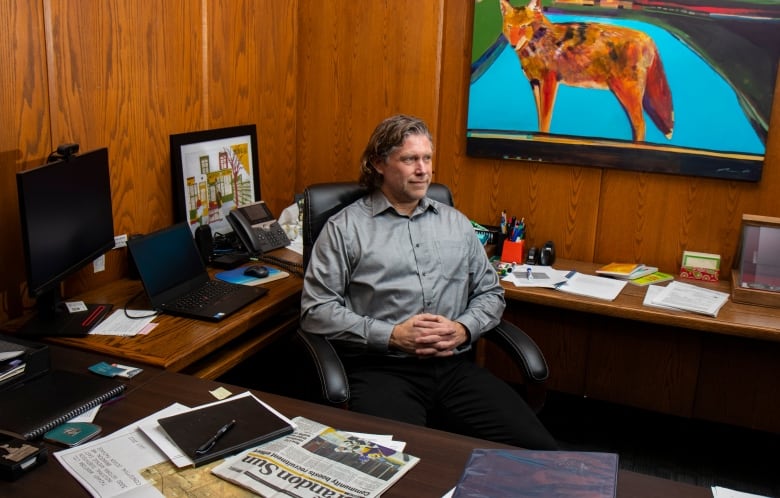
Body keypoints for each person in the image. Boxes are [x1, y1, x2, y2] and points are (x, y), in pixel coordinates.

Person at [300, 114, 557, 449]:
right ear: (379, 163)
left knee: (542, 453)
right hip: (382, 371)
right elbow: (315, 311)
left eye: (427, 158)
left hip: (453, 368)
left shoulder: (456, 224)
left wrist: (463, 329)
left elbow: (490, 292)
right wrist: (392, 335)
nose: (422, 170)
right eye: (409, 159)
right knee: (396, 472)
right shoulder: (345, 229)